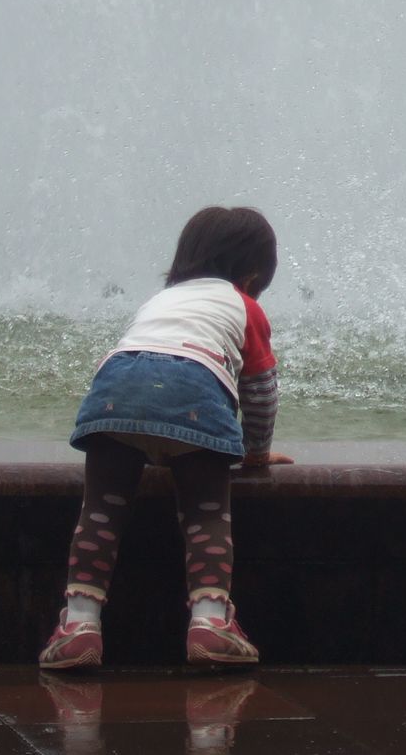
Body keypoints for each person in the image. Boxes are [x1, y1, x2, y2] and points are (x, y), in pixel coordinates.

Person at [40, 205, 293, 670]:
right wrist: (255, 452)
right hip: (195, 391)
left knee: (99, 511)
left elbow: (145, 359)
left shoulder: (160, 301)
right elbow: (261, 393)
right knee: (206, 514)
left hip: (114, 391)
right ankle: (211, 622)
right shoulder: (245, 306)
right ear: (253, 276)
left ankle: (79, 625)